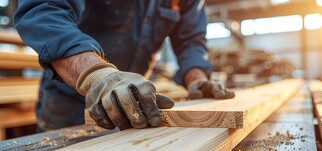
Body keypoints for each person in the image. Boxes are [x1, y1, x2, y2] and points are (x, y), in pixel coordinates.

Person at [14, 0, 235, 131]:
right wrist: (96, 76)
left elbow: (190, 41)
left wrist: (196, 78)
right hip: (70, 101)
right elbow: (44, 10)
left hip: (132, 99)